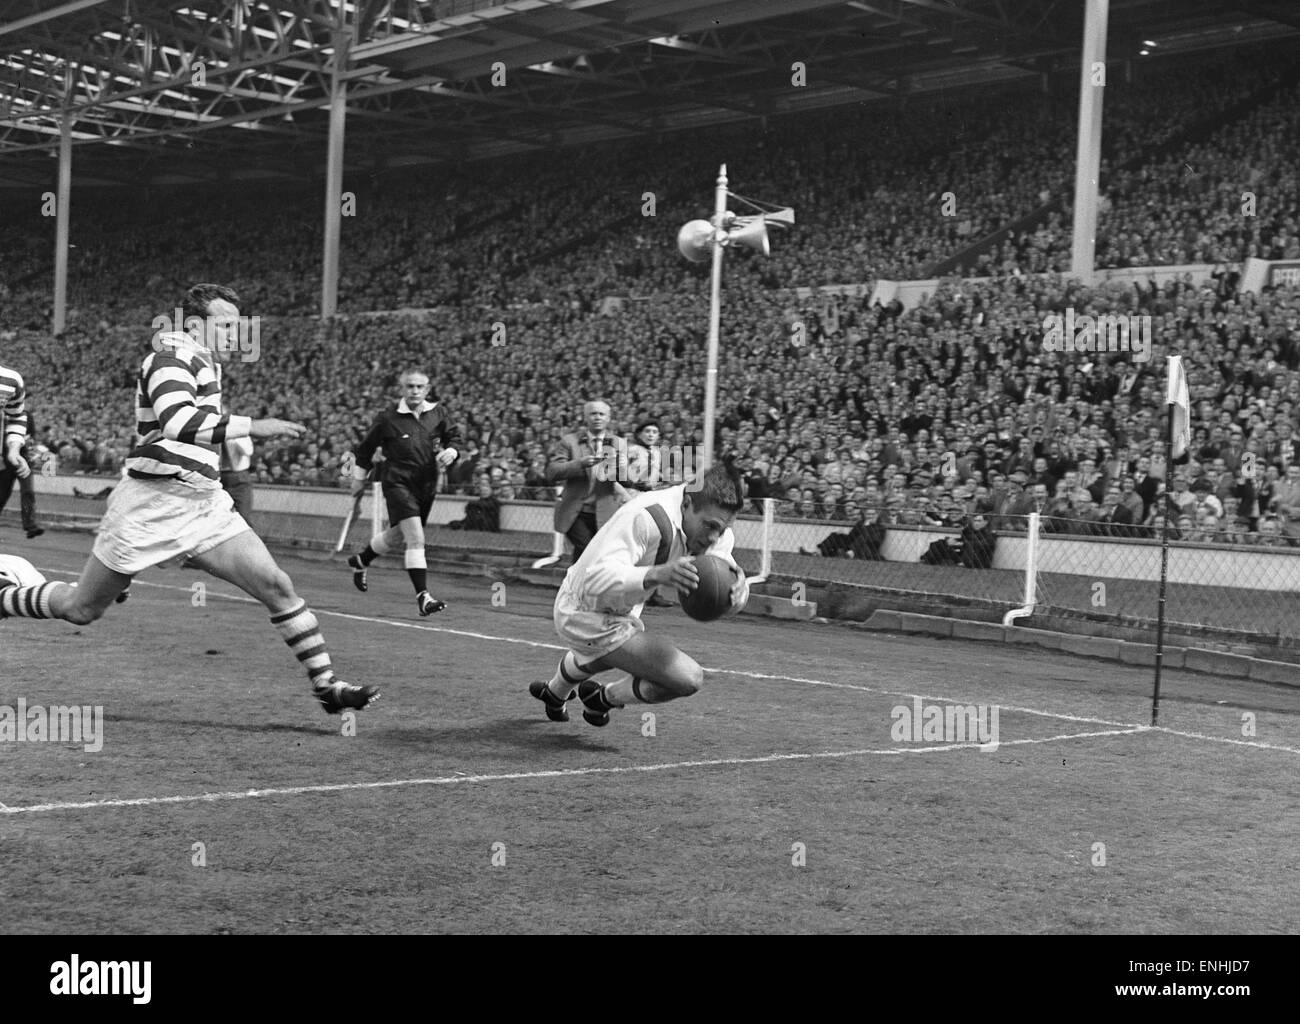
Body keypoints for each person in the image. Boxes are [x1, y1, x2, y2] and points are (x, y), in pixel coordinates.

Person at [0, 283, 376, 716]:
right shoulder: (170, 358)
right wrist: (256, 425)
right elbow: (177, 422)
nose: (238, 332)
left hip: (204, 503)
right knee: (82, 608)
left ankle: (328, 687)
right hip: (150, 504)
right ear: (197, 325)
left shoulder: (205, 363)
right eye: (229, 323)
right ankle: (6, 597)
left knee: (277, 586)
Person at [529, 464, 748, 728]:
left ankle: (554, 693)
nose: (714, 537)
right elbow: (594, 579)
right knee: (688, 678)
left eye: (722, 529)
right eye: (710, 526)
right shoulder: (647, 516)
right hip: (580, 608)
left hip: (622, 609)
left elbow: (726, 573)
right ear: (688, 503)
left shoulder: (718, 531)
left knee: (600, 657)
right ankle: (602, 698)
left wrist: (738, 592)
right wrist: (657, 574)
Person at [345, 368, 460, 617]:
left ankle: (361, 560)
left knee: (398, 535)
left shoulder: (438, 413)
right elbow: (364, 450)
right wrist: (358, 479)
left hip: (427, 484)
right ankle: (424, 597)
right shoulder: (387, 418)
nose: (415, 391)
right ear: (403, 389)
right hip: (397, 482)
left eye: (420, 387)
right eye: (410, 386)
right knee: (416, 538)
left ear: (427, 389)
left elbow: (455, 437)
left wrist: (452, 451)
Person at [545, 399, 630, 563]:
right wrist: (579, 464)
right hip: (575, 510)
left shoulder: (618, 443)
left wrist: (622, 468)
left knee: (586, 555)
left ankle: (572, 586)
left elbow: (624, 480)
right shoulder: (569, 441)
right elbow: (552, 472)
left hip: (604, 512)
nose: (597, 417)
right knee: (588, 549)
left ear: (608, 418)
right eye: (593, 413)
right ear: (585, 417)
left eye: (601, 414)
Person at [0, 376, 44, 537]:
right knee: (2, 494)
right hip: (6, 461)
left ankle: (30, 525)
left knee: (28, 492)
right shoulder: (5, 416)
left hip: (22, 459)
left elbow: (31, 437)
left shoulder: (25, 416)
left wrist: (25, 445)